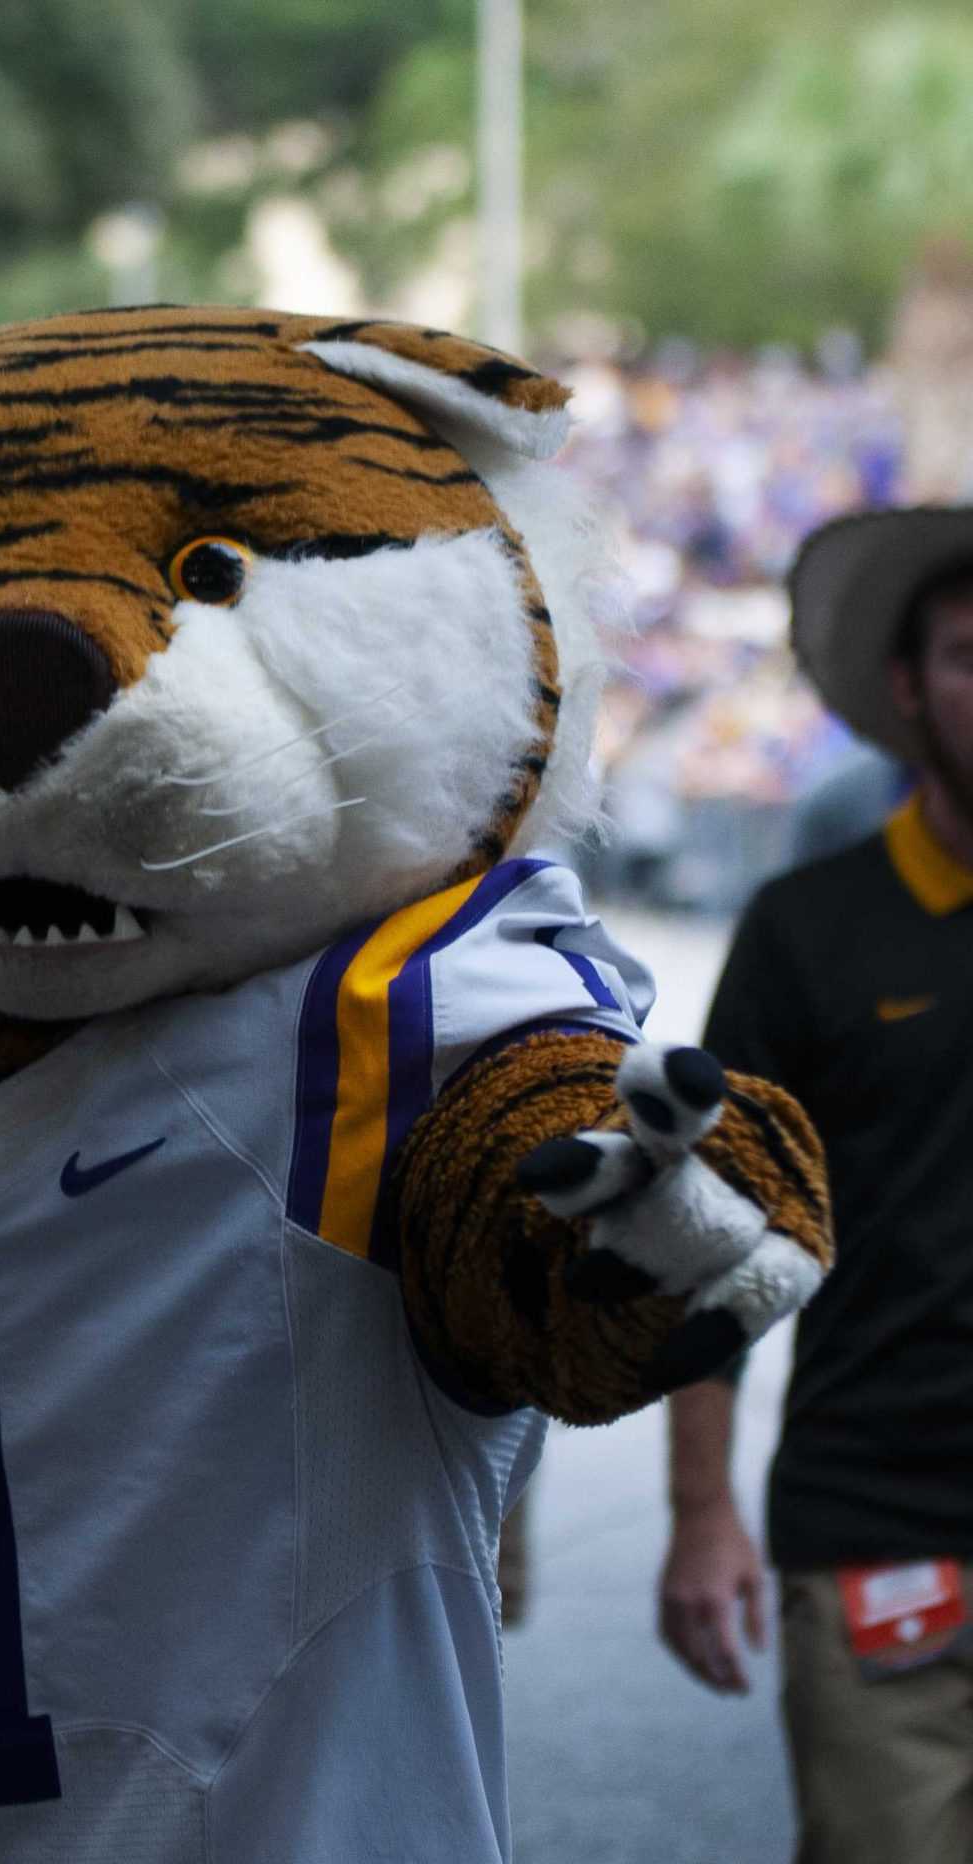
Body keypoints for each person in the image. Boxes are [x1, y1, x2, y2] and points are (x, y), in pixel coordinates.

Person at [659, 512, 973, 1864]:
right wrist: (699, 1512)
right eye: (972, 656)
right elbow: (707, 1235)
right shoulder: (809, 930)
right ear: (907, 690)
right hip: (877, 1520)